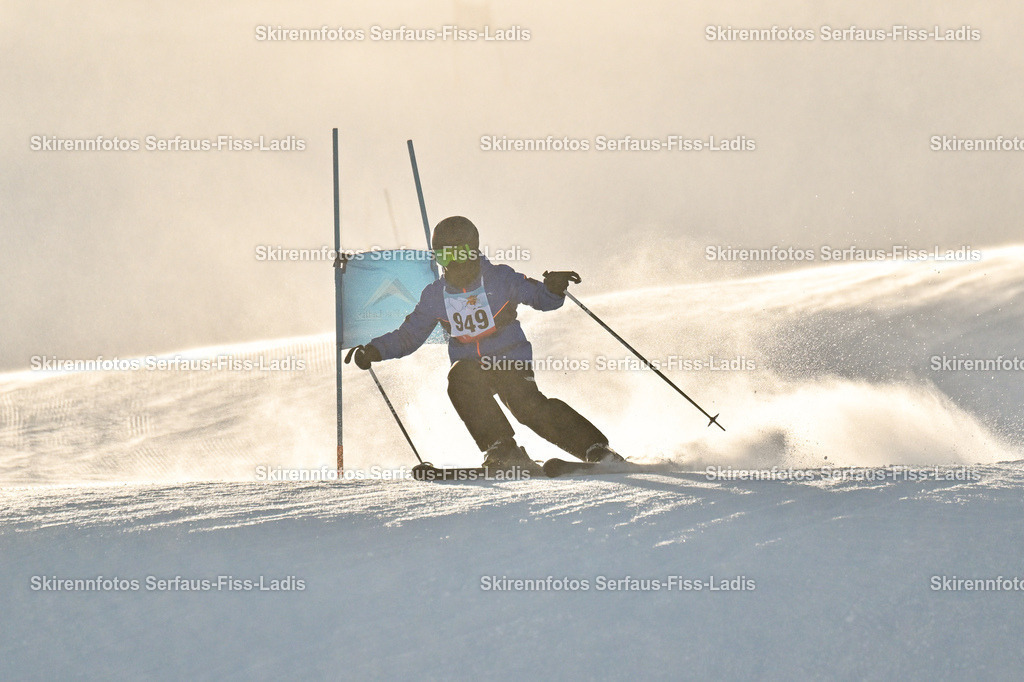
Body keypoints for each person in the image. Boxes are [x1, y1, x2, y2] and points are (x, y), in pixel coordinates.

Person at [347, 216, 622, 469]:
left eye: (458, 253)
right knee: (460, 379)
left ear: (472, 251)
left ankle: (596, 449)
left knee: (525, 406)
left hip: (510, 360)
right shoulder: (435, 295)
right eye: (443, 255)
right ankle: (503, 451)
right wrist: (375, 350)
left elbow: (538, 297)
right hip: (472, 367)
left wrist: (552, 288)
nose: (451, 263)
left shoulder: (500, 278)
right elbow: (410, 335)